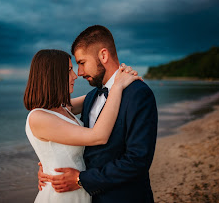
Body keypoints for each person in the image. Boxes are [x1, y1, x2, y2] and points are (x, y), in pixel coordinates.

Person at [38, 25, 158, 202]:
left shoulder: (138, 94)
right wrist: (47, 165)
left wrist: (81, 179)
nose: (79, 73)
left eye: (82, 63)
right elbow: (53, 120)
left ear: (103, 55)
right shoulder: (91, 97)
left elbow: (137, 161)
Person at [24, 49, 141, 203]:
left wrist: (120, 77)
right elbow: (98, 136)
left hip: (79, 191)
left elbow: (98, 99)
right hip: (61, 196)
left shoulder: (63, 108)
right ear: (53, 75)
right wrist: (118, 85)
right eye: (69, 70)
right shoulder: (38, 117)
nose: (75, 75)